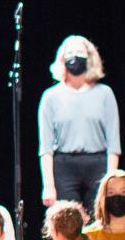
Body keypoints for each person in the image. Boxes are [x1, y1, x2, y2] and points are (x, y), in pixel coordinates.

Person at [36, 35, 120, 210]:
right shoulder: (51, 97)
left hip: (97, 163)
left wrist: (112, 179)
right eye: (70, 52)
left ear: (90, 58)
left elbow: (113, 143)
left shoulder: (104, 93)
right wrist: (48, 185)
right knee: (68, 219)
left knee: (99, 218)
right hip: (65, 165)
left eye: (80, 52)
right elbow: (46, 147)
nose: (75, 56)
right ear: (62, 59)